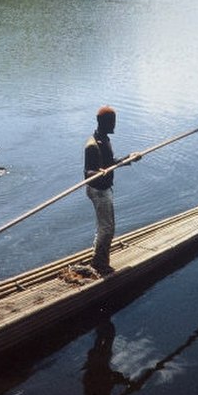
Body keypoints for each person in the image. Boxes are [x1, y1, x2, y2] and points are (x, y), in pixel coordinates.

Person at [84, 105, 118, 275]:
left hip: (105, 188)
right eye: (112, 121)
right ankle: (100, 263)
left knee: (105, 227)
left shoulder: (104, 139)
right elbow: (88, 173)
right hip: (98, 191)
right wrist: (99, 172)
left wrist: (128, 159)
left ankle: (97, 257)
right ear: (103, 122)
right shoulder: (92, 145)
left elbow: (110, 163)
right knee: (107, 228)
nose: (115, 124)